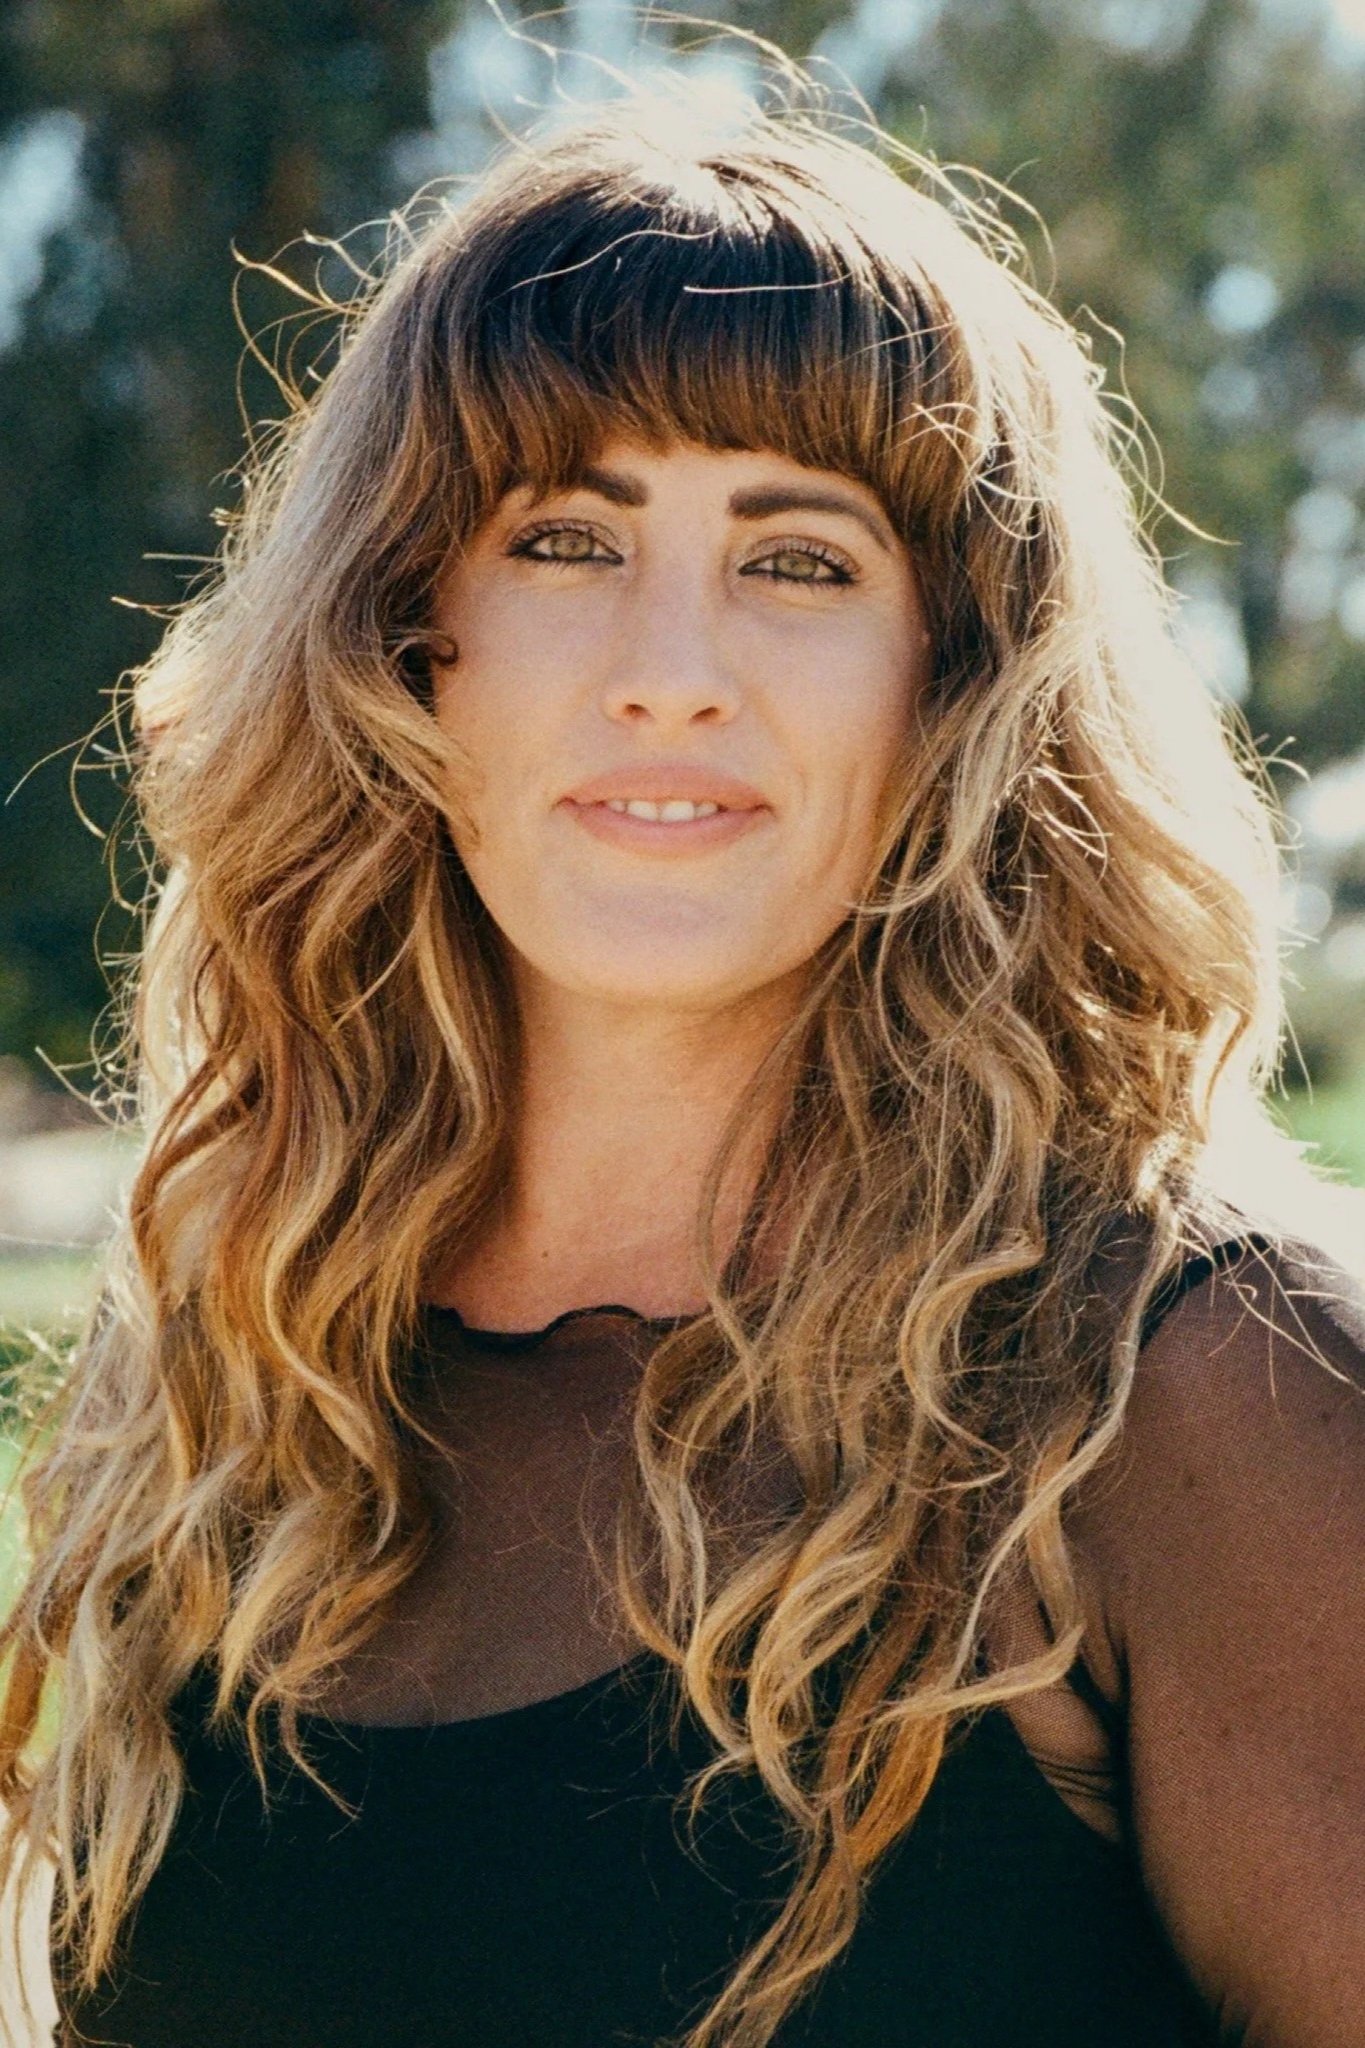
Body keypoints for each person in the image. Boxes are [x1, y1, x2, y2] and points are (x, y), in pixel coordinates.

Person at [2, 58, 1363, 2048]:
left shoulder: (1203, 1397)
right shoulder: (225, 1377)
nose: (670, 667)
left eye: (797, 558)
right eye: (562, 539)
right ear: (409, 637)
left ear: (949, 687)